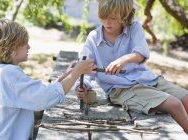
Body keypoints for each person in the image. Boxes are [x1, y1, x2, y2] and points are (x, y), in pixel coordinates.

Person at [75, 0, 188, 134]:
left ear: (124, 16)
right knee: (174, 104)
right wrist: (82, 86)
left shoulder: (134, 28)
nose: (107, 23)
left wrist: (123, 60)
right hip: (121, 89)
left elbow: (141, 53)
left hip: (145, 79)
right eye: (104, 17)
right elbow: (85, 70)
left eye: (113, 18)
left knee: (186, 98)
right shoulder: (93, 38)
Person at [0, 19, 96, 140]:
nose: (29, 46)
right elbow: (44, 98)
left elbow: (36, 93)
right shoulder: (9, 75)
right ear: (12, 47)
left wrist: (69, 73)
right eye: (24, 43)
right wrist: (77, 72)